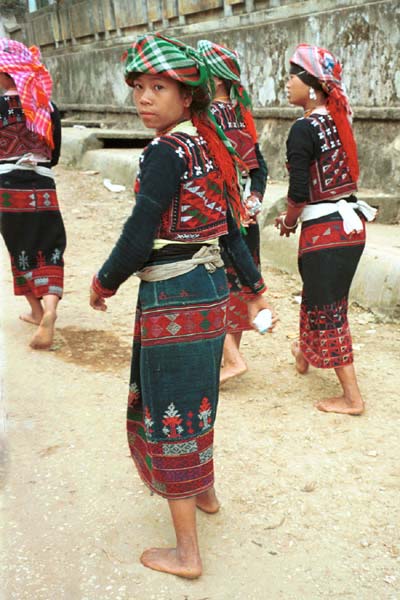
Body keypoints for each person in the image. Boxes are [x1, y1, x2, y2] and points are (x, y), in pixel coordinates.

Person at [89, 34, 276, 579]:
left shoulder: (166, 152)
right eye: (140, 88)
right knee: (199, 398)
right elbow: (232, 232)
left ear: (188, 94)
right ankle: (208, 495)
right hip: (212, 292)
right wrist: (256, 287)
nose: (145, 98)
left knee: (169, 412)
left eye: (159, 87)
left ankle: (188, 553)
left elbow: (139, 232)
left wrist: (103, 283)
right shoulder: (210, 145)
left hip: (173, 295)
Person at [275, 43, 376, 415]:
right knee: (319, 296)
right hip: (350, 229)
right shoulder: (338, 122)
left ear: (312, 88)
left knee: (329, 309)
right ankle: (304, 354)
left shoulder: (303, 129)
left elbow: (299, 192)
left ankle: (352, 397)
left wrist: (286, 221)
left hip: (324, 232)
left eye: (293, 77)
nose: (287, 84)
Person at [198, 39, 268, 384]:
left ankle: (233, 360)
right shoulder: (242, 118)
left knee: (213, 287)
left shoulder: (204, 118)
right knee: (239, 287)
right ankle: (230, 359)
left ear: (218, 80)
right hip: (246, 218)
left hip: (217, 217)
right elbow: (260, 170)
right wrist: (252, 203)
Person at [0, 39, 65, 350]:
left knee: (19, 249)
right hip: (44, 185)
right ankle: (50, 309)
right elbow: (55, 153)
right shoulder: (45, 106)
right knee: (51, 247)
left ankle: (37, 311)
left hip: (9, 187)